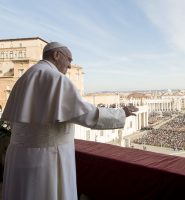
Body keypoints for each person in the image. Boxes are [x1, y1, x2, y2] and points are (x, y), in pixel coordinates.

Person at [1, 42, 138, 200]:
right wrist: (121, 113)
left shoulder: (26, 76)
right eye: (69, 60)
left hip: (19, 154)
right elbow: (85, 114)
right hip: (47, 158)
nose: (70, 66)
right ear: (57, 55)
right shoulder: (55, 78)